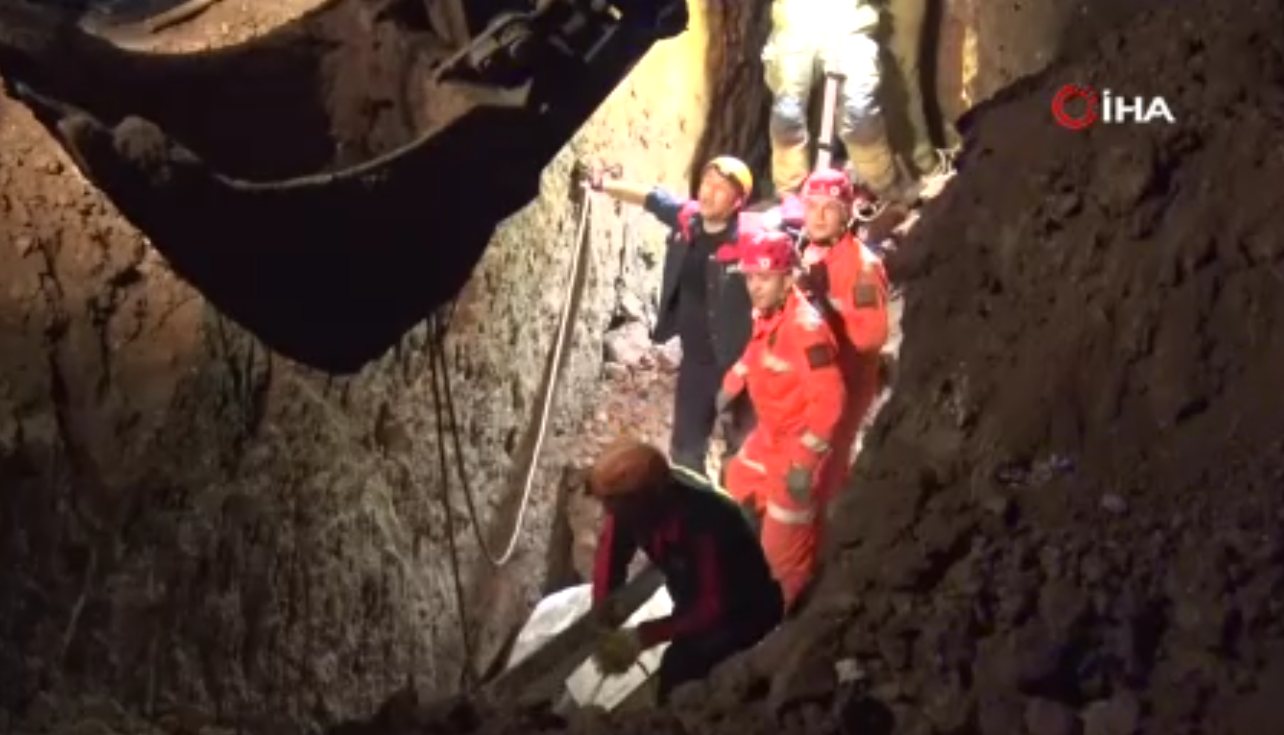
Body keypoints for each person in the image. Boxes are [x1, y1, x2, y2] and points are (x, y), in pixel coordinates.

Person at [587, 157, 757, 480]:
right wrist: (602, 185)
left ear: (738, 202)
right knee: (685, 452)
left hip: (741, 361)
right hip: (697, 361)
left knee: (745, 455)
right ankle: (697, 504)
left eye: (721, 189)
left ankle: (736, 504)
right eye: (707, 183)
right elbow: (652, 198)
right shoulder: (688, 219)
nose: (708, 193)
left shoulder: (750, 240)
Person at [586, 440, 784, 704]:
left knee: (681, 671)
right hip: (695, 596)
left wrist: (645, 635)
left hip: (744, 610)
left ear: (645, 499)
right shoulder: (632, 509)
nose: (608, 513)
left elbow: (711, 604)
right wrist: (603, 606)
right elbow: (612, 553)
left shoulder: (707, 520)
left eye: (613, 505)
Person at [717, 231, 847, 610]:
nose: (754, 287)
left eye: (764, 277)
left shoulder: (805, 330)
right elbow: (756, 353)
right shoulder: (770, 313)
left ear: (788, 279)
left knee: (782, 554)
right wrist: (730, 384)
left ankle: (783, 615)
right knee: (738, 479)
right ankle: (745, 561)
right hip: (772, 435)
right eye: (750, 277)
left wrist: (805, 463)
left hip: (800, 445)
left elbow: (831, 402)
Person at [761, 0, 914, 202]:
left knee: (860, 108)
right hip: (796, 18)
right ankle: (790, 193)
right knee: (788, 111)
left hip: (851, 18)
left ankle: (884, 186)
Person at [796, 168, 891, 476]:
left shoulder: (862, 269)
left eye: (830, 208)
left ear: (847, 214)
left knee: (826, 469)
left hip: (845, 385)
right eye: (812, 206)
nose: (819, 216)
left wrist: (818, 304)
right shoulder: (813, 250)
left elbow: (869, 339)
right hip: (810, 380)